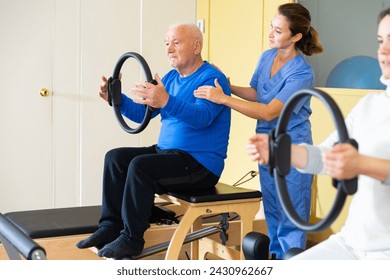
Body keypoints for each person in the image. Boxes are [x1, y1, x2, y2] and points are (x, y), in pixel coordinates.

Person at [76, 23, 231, 259]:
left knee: (141, 167)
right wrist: (115, 99)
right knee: (116, 158)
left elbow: (202, 118)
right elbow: (142, 114)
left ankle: (132, 239)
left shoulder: (212, 78)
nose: (169, 48)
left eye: (176, 42)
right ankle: (110, 226)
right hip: (169, 154)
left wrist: (167, 100)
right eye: (167, 43)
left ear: (197, 46)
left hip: (200, 165)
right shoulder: (170, 78)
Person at [247, 7, 390, 260]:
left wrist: (362, 164)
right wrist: (282, 152)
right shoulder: (370, 105)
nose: (383, 51)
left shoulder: (301, 71)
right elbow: (325, 155)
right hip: (351, 242)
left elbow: (269, 110)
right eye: (380, 41)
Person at [194, 3, 323, 259]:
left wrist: (223, 99)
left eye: (278, 30)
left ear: (296, 36)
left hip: (293, 148)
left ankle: (292, 262)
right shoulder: (267, 56)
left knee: (291, 212)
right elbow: (257, 93)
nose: (271, 34)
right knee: (273, 208)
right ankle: (275, 259)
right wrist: (228, 87)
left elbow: (267, 111)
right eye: (271, 27)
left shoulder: (302, 74)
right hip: (267, 145)